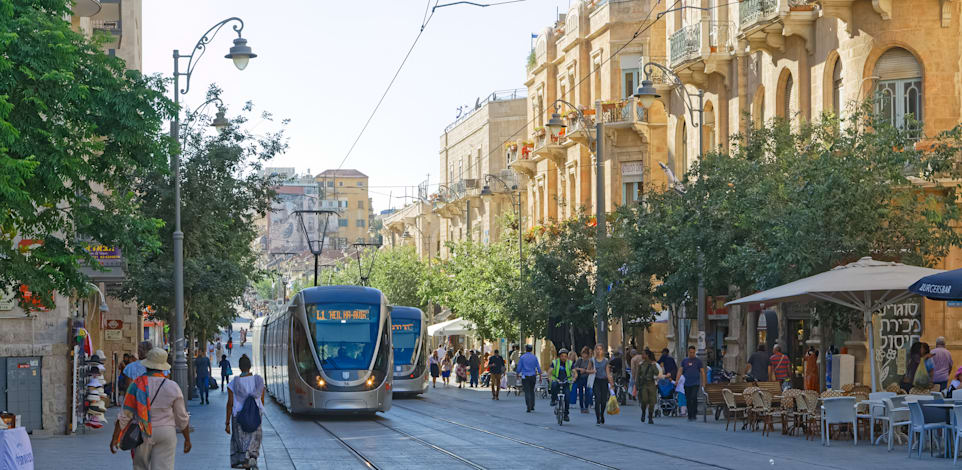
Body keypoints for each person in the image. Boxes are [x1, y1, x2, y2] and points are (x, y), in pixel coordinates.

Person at [110, 348, 191, 468]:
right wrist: (187, 439)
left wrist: (115, 437)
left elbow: (125, 414)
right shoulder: (172, 387)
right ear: (163, 367)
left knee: (140, 466)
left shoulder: (136, 385)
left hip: (143, 431)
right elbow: (182, 417)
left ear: (147, 365)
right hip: (166, 432)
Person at [226, 354, 265, 469]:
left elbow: (230, 403)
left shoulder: (233, 383)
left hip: (238, 416)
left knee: (240, 440)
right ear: (250, 366)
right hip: (255, 415)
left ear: (239, 367)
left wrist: (227, 423)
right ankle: (252, 458)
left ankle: (243, 460)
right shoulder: (258, 381)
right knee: (254, 438)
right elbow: (261, 400)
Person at [678, 346, 706, 421]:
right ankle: (690, 414)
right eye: (690, 352)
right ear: (688, 352)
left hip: (695, 383)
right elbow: (680, 371)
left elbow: (702, 372)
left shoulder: (698, 361)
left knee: (693, 397)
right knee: (688, 399)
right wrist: (677, 381)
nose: (692, 354)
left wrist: (703, 382)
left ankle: (694, 413)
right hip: (686, 383)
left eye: (693, 352)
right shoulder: (684, 361)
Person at [588, 344, 613, 425]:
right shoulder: (592, 360)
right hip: (596, 381)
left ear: (603, 351)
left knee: (603, 400)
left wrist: (611, 383)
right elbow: (587, 370)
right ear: (595, 350)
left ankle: (602, 414)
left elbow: (608, 373)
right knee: (598, 399)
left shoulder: (605, 360)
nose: (599, 351)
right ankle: (597, 417)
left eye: (600, 349)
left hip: (604, 381)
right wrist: (591, 371)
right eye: (597, 349)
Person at [547, 349, 574, 422]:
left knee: (567, 397)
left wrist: (573, 379)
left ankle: (566, 415)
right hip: (557, 380)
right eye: (562, 356)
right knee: (554, 385)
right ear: (559, 357)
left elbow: (575, 372)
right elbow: (549, 372)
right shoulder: (555, 362)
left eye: (565, 356)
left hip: (566, 382)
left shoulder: (570, 363)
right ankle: (553, 399)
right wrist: (550, 378)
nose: (564, 358)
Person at [635, 350, 660, 424]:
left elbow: (657, 373)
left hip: (651, 384)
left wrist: (653, 365)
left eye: (643, 354)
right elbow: (638, 376)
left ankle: (650, 417)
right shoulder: (641, 364)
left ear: (647, 355)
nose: (642, 356)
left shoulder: (653, 364)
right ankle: (643, 412)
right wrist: (637, 385)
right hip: (644, 384)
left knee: (652, 402)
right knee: (644, 400)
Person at [515, 344, 542, 412]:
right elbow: (538, 367)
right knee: (532, 391)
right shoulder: (534, 357)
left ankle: (528, 406)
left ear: (526, 349)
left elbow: (519, 368)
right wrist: (540, 376)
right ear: (531, 349)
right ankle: (532, 405)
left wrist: (517, 374)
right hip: (533, 376)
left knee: (527, 391)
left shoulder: (522, 357)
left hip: (525, 376)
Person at [573, 347, 593, 414]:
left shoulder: (590, 361)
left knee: (588, 393)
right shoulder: (580, 360)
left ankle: (586, 407)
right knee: (581, 393)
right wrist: (580, 369)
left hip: (587, 378)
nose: (584, 355)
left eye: (585, 354)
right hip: (580, 378)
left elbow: (591, 369)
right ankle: (582, 407)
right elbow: (574, 367)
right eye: (583, 353)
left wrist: (585, 370)